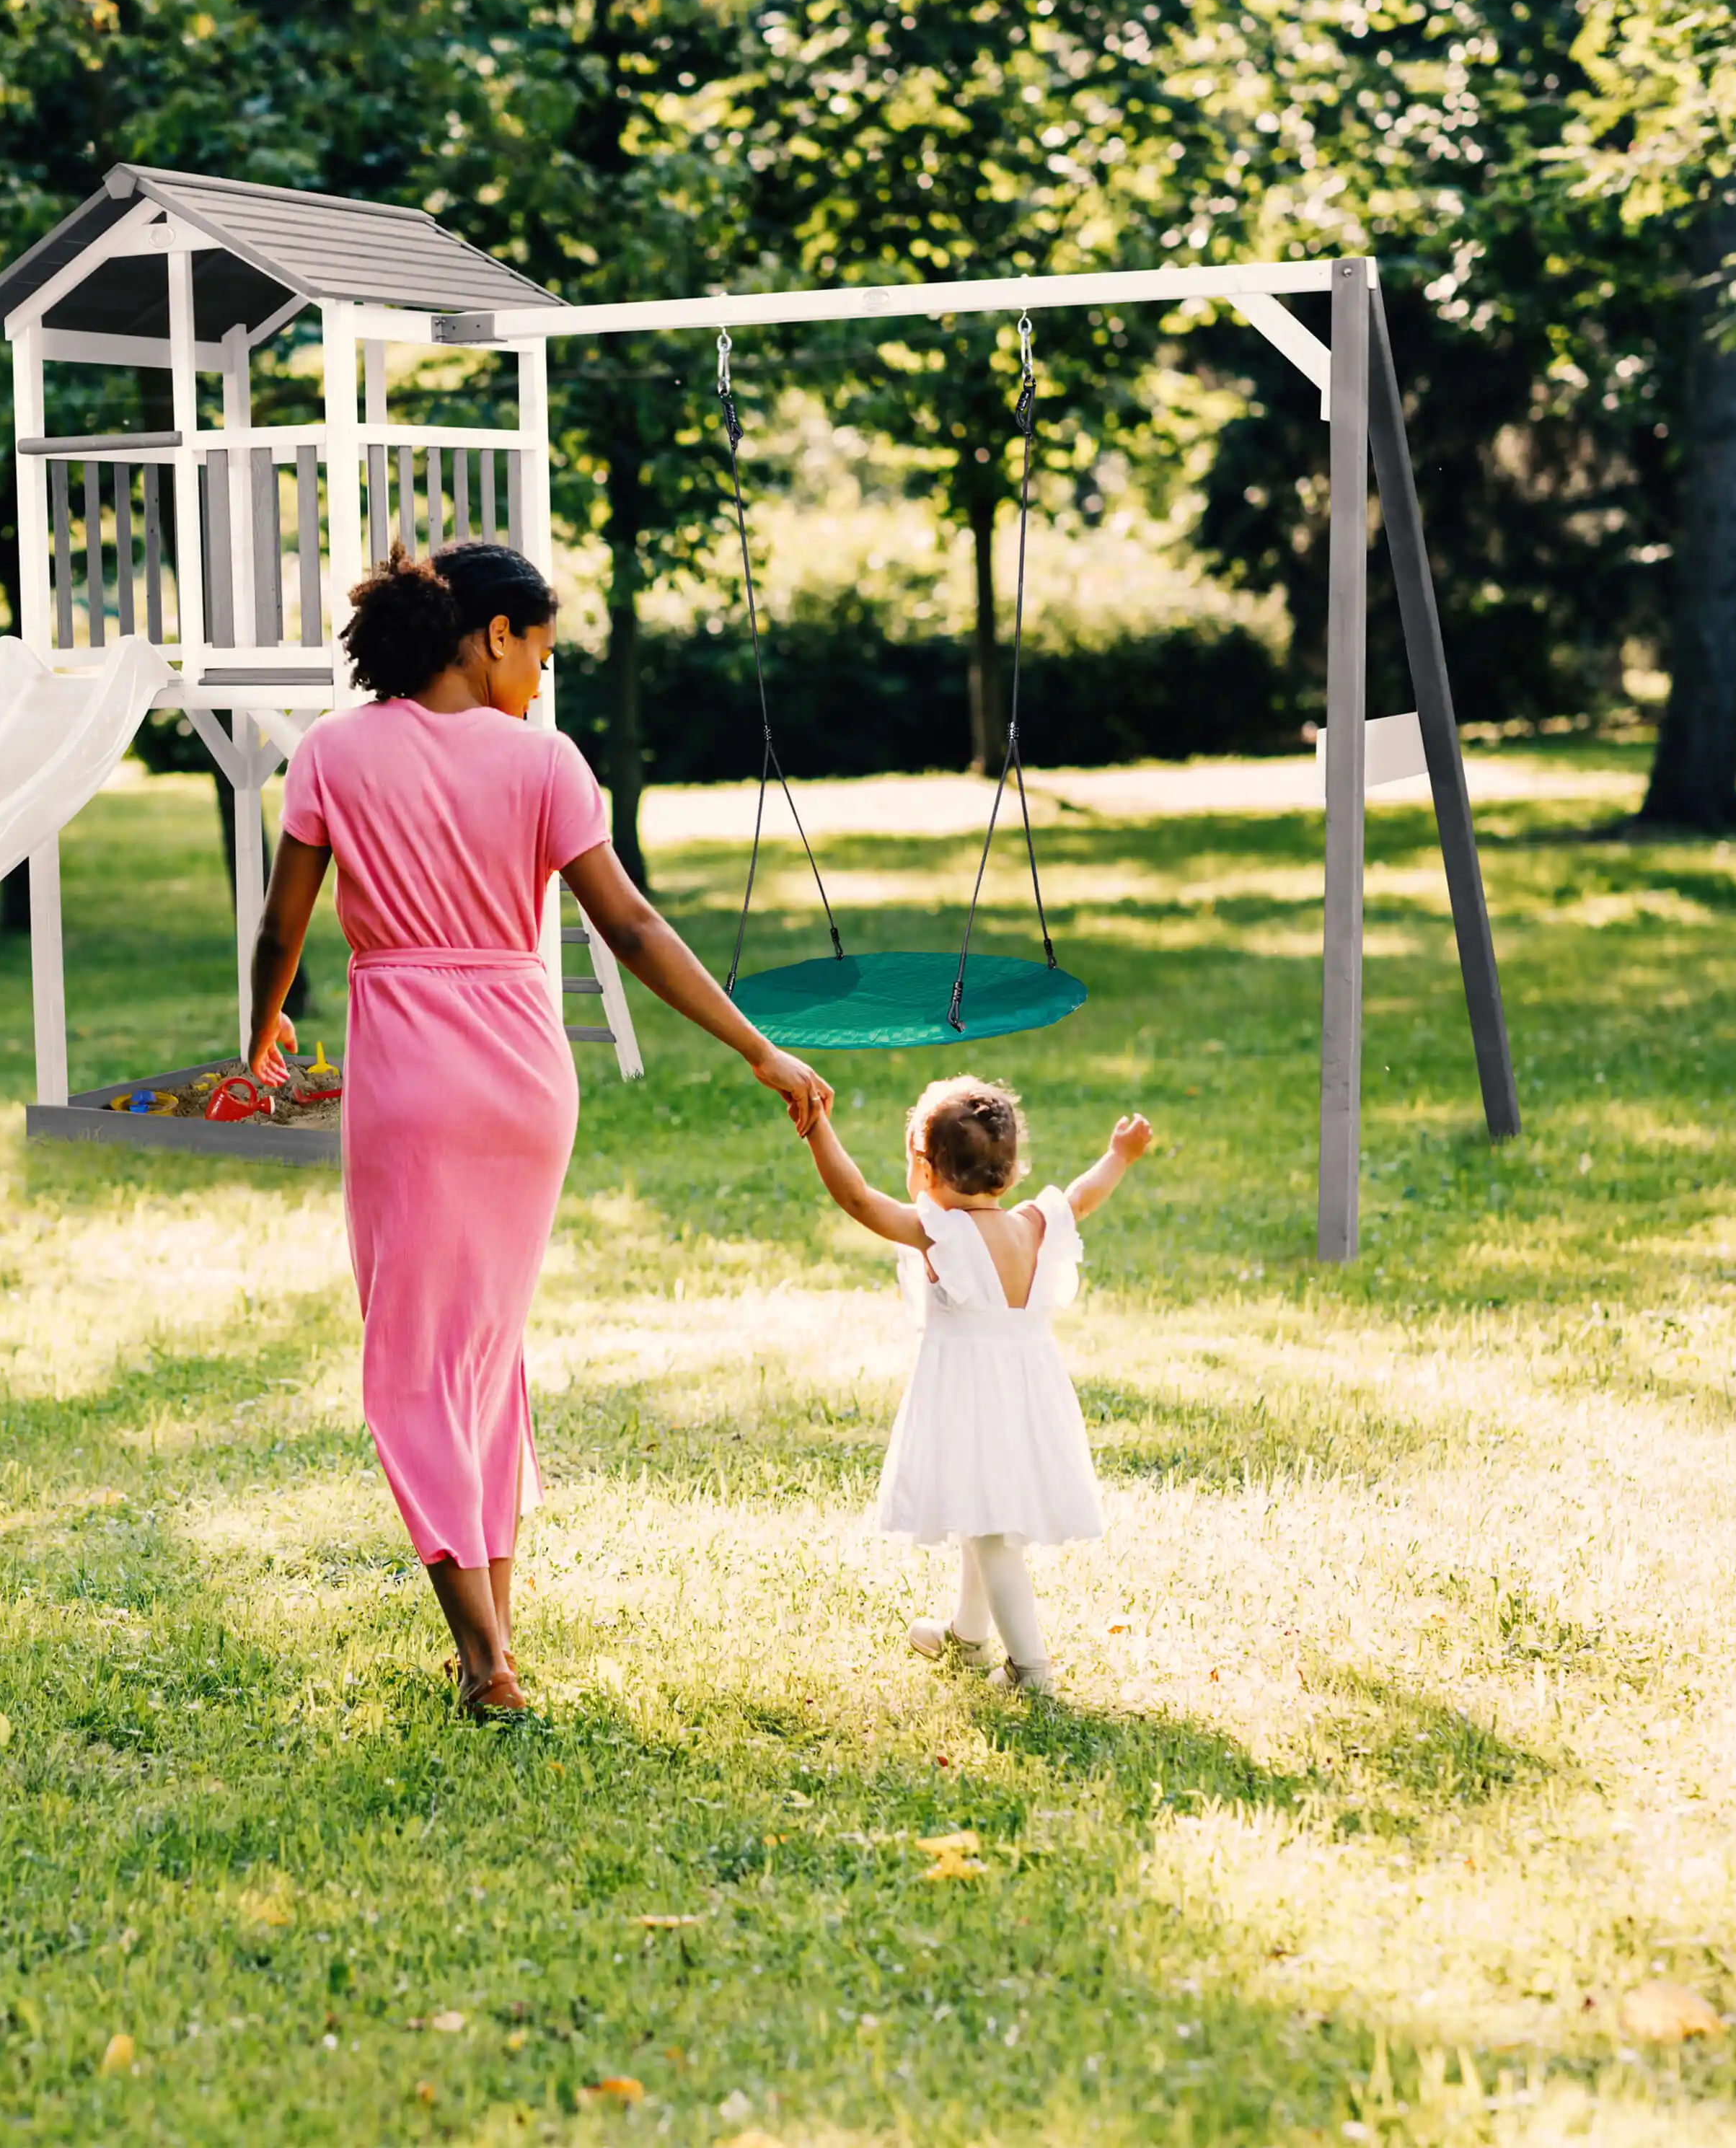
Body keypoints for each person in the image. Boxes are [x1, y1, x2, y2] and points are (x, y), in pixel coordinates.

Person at [244, 541, 833, 1720]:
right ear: (493, 634)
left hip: (410, 1077)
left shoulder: (332, 753)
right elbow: (631, 927)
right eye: (542, 654)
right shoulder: (546, 764)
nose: (542, 681)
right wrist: (756, 1044)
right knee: (482, 1355)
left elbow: (282, 927)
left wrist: (257, 1036)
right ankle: (495, 1638)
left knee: (415, 1365)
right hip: (523, 1078)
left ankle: (482, 1660)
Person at [799, 1077, 1155, 1694]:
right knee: (979, 1510)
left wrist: (816, 1127)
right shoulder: (1035, 1224)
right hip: (1027, 1394)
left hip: (971, 1399)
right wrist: (1118, 1156)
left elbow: (856, 1198)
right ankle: (967, 1636)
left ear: (926, 1169)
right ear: (1011, 1171)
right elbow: (1082, 1195)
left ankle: (1030, 1670)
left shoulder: (941, 1234)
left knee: (992, 1534)